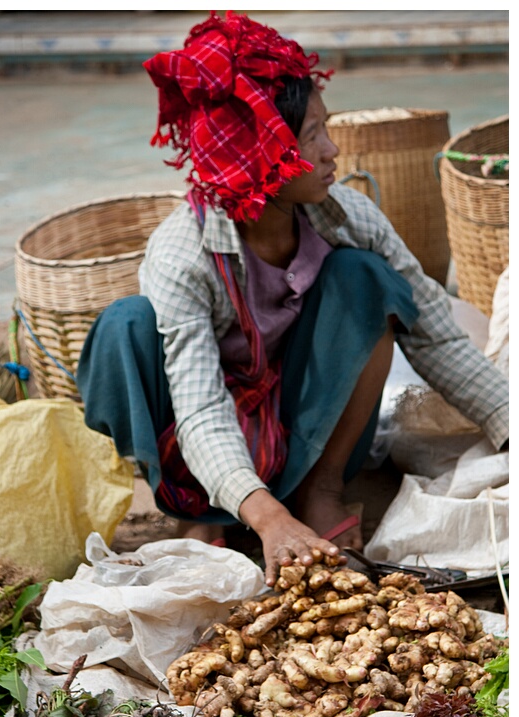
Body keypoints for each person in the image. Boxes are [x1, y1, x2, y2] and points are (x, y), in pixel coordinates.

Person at [76, 11, 509, 587]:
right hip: (201, 438)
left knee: (366, 277)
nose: (333, 151)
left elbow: (435, 331)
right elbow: (201, 408)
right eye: (311, 139)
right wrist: (268, 518)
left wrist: (510, 423)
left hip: (303, 426)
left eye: (326, 130)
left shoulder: (349, 217)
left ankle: (320, 488)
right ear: (260, 157)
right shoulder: (182, 253)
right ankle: (201, 513)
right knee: (125, 325)